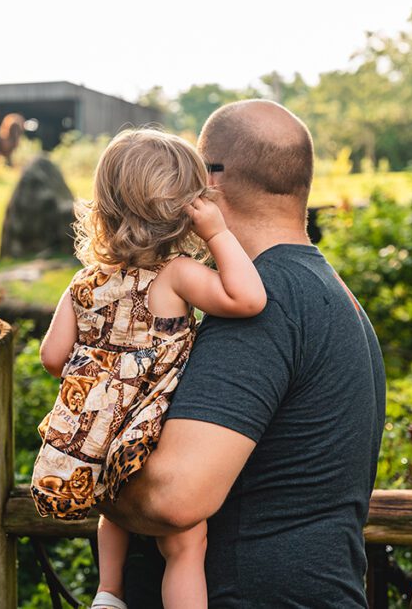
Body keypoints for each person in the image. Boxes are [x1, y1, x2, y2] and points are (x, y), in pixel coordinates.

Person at [98, 100, 388, 607]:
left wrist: (82, 470)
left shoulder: (265, 301)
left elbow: (175, 498)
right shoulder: (331, 290)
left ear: (212, 180)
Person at [31, 128, 268, 609]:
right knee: (186, 545)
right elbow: (249, 299)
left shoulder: (83, 282)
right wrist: (218, 234)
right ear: (186, 211)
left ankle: (108, 592)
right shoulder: (175, 275)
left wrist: (101, 378)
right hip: (151, 435)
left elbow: (52, 358)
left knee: (113, 511)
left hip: (98, 435)